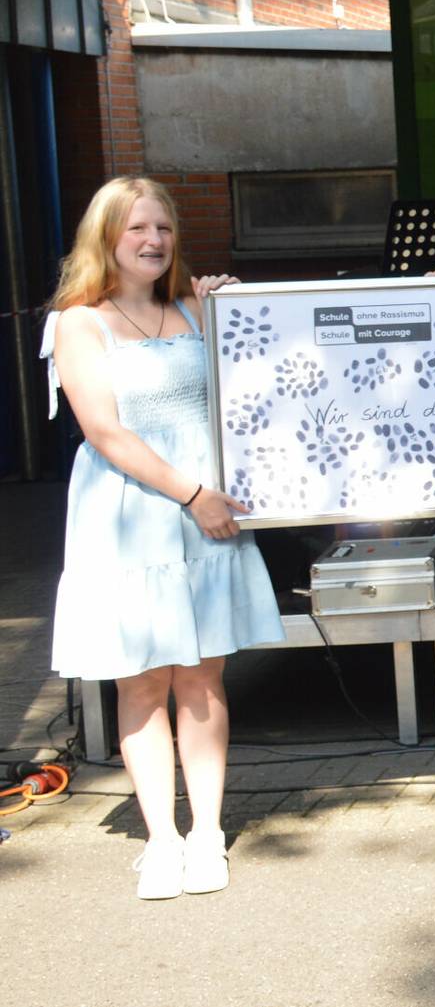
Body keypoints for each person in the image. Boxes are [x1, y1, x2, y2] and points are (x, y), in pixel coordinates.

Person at [45, 176, 284, 899]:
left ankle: (206, 833)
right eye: (137, 229)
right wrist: (194, 494)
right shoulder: (78, 321)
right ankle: (162, 841)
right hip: (134, 511)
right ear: (106, 237)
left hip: (205, 508)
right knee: (142, 678)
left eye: (164, 229)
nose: (153, 241)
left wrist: (226, 316)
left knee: (203, 676)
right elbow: (105, 431)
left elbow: (253, 392)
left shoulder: (189, 308)